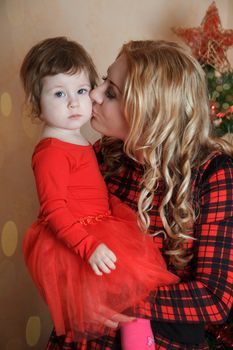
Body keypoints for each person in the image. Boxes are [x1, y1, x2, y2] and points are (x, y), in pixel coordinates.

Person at [46, 40, 233, 350]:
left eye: (111, 92)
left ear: (150, 114)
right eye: (104, 80)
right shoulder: (102, 155)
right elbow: (62, 233)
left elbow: (214, 298)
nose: (93, 93)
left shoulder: (213, 174)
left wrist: (122, 301)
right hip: (83, 336)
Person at [20, 37, 179, 349]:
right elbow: (54, 208)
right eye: (58, 94)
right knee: (119, 305)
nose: (78, 101)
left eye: (81, 90)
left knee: (134, 301)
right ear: (36, 102)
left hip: (99, 225)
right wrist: (88, 245)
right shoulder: (52, 150)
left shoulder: (84, 142)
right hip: (80, 237)